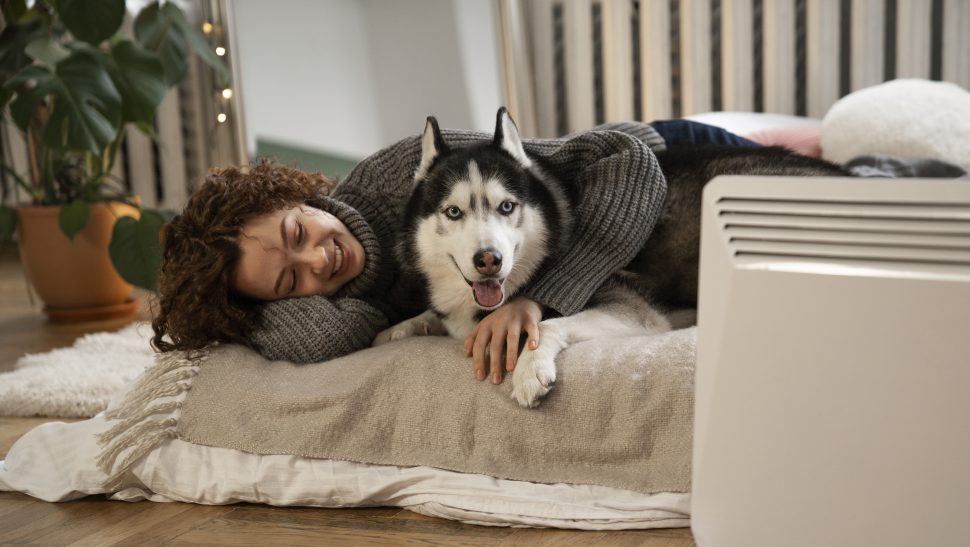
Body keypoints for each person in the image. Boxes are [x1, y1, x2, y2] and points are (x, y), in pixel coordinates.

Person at [152, 118, 757, 382]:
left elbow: (625, 167)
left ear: (296, 196)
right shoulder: (346, 308)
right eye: (289, 283)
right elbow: (316, 342)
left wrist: (542, 301)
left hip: (665, 156)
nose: (318, 259)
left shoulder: (397, 175)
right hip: (658, 260)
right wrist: (236, 313)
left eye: (297, 233)